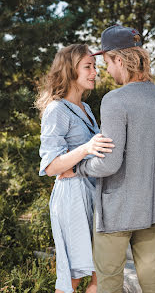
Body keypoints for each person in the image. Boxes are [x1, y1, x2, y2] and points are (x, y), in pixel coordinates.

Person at [62, 25, 155, 293]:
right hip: (154, 207)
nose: (106, 71)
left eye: (107, 62)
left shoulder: (115, 100)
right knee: (152, 278)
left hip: (117, 211)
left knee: (109, 281)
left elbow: (109, 163)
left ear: (119, 60)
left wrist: (78, 167)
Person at [36, 44, 115, 293]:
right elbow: (50, 167)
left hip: (91, 194)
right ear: (70, 71)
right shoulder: (56, 109)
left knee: (97, 273)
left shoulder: (87, 109)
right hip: (71, 198)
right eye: (88, 67)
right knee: (74, 276)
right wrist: (86, 148)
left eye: (95, 67)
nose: (94, 72)